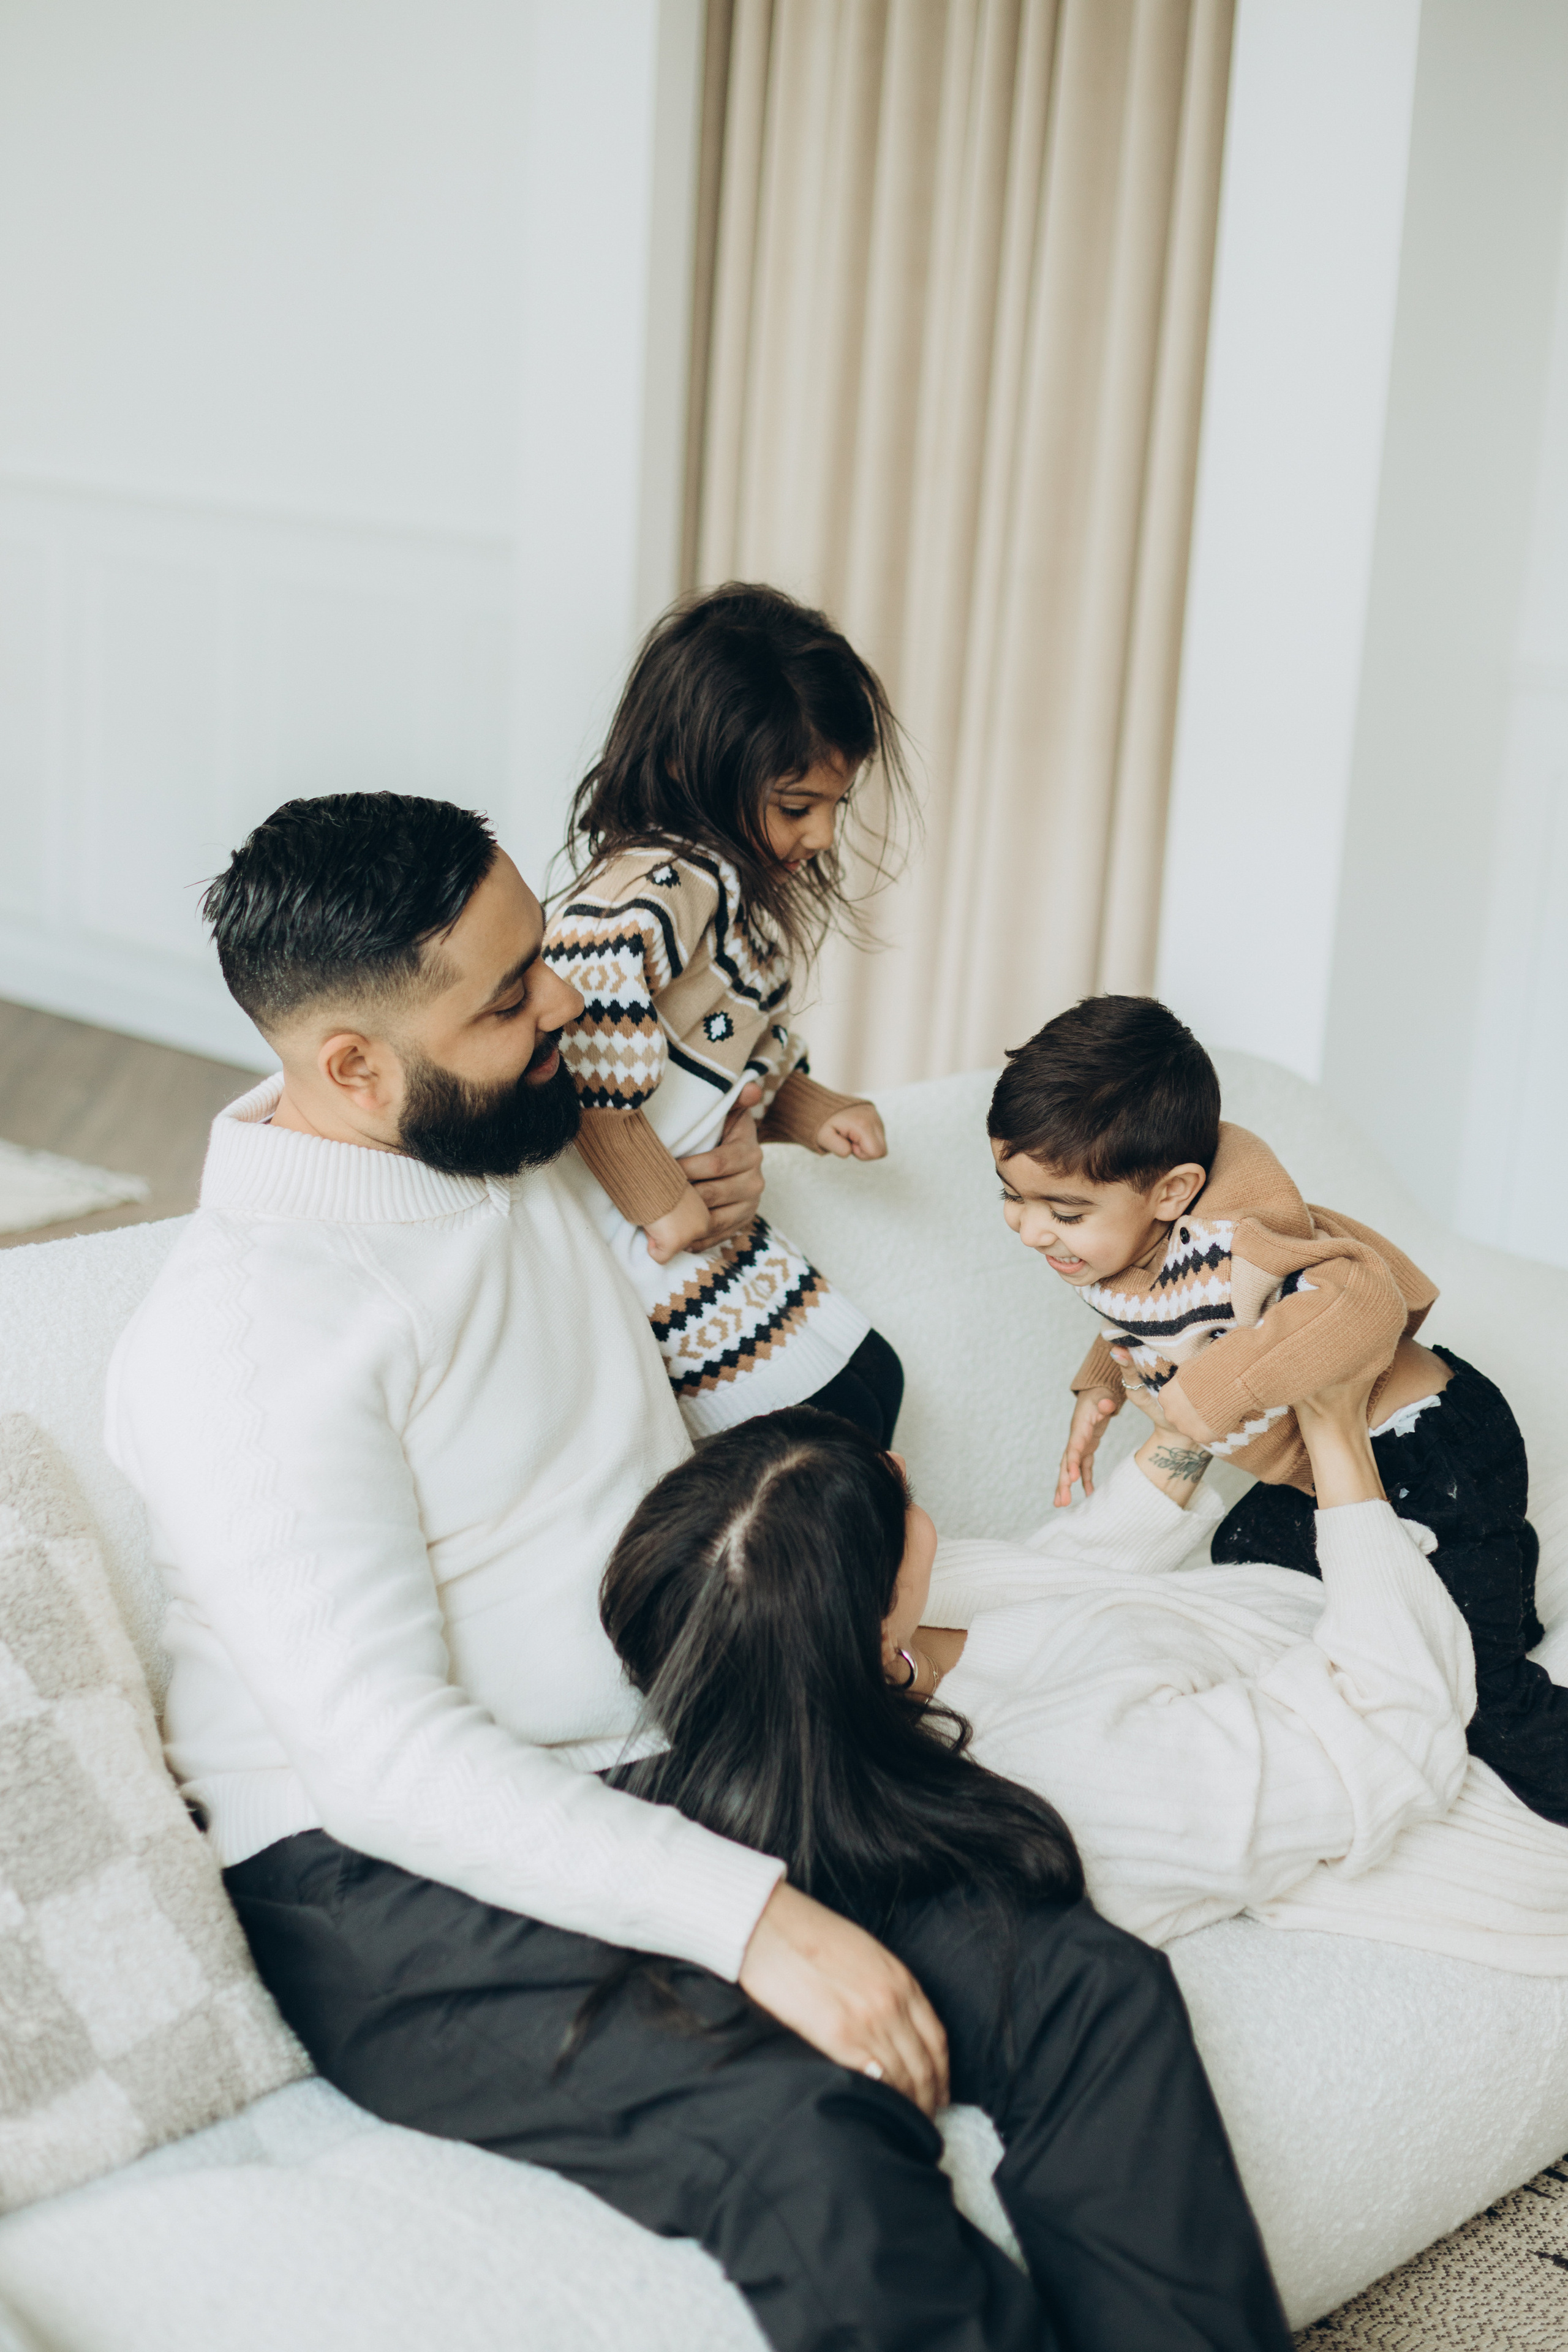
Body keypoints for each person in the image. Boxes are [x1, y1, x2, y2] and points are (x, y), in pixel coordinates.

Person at [106, 790, 1289, 2352]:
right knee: (810, 2142)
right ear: (349, 1067)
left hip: (658, 1762)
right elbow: (385, 1761)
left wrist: (711, 1198)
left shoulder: (505, 1132)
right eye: (514, 992)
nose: (575, 1005)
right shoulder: (245, 1346)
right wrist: (754, 1923)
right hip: (379, 1871)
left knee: (1082, 1987)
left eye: (545, 954)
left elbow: (669, 1213)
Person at [600, 1372, 1568, 1978]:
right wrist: (1334, 1430)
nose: (900, 1461)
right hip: (1488, 1771)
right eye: (889, 1485)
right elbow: (1391, 1722)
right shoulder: (1070, 1776)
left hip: (1333, 1617)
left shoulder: (862, 1644)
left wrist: (1204, 1402)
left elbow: (1069, 1572)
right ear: (875, 1603)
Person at [987, 993, 1568, 1825]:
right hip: (1321, 1479)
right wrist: (1103, 1384)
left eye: (1063, 1212)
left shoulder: (1237, 1240)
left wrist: (1218, 1396)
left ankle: (1489, 1580)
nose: (1030, 1231)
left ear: (1173, 1192)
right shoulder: (1120, 1248)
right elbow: (1148, 1314)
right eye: (1010, 1195)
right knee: (1247, 1553)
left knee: (1475, 1699)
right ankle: (1492, 1579)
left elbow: (1360, 1298)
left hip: (1434, 1454)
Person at [541, 582, 908, 1444]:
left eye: (834, 806)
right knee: (824, 1427)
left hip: (694, 1219)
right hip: (639, 1235)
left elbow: (719, 1051)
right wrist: (662, 1200)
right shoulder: (654, 889)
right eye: (796, 807)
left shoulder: (718, 896)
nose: (821, 837)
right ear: (685, 768)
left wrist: (814, 1108)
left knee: (871, 1383)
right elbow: (583, 1064)